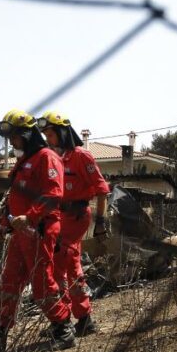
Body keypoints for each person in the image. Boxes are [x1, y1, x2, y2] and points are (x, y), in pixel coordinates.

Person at [0, 109, 76, 352]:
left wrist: (30, 216)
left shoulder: (46, 158)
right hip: (21, 232)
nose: (12, 143)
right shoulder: (23, 161)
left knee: (42, 282)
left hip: (40, 228)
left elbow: (54, 194)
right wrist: (5, 224)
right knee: (9, 281)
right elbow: (15, 198)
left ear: (27, 135)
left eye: (15, 138)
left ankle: (63, 329)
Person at [37, 110, 110, 336]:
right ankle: (83, 318)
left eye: (51, 134)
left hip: (77, 216)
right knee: (72, 267)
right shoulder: (52, 158)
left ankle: (64, 322)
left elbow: (101, 189)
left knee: (59, 264)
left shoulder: (81, 156)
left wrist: (101, 222)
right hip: (59, 217)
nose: (48, 139)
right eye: (46, 135)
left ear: (62, 132)